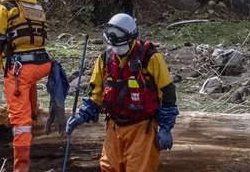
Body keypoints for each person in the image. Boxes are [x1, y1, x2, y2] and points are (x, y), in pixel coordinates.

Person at [65, 14, 179, 172]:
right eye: (113, 46)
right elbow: (96, 94)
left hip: (142, 129)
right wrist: (81, 115)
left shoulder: (150, 58)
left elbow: (168, 93)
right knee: (108, 168)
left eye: (121, 46)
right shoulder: (105, 59)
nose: (117, 50)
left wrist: (166, 128)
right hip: (114, 128)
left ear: (131, 39)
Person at [0, 0, 53, 172]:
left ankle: (20, 168)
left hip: (20, 68)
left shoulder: (4, 6)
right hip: (43, 64)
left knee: (20, 122)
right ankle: (33, 111)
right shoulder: (35, 5)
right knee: (28, 83)